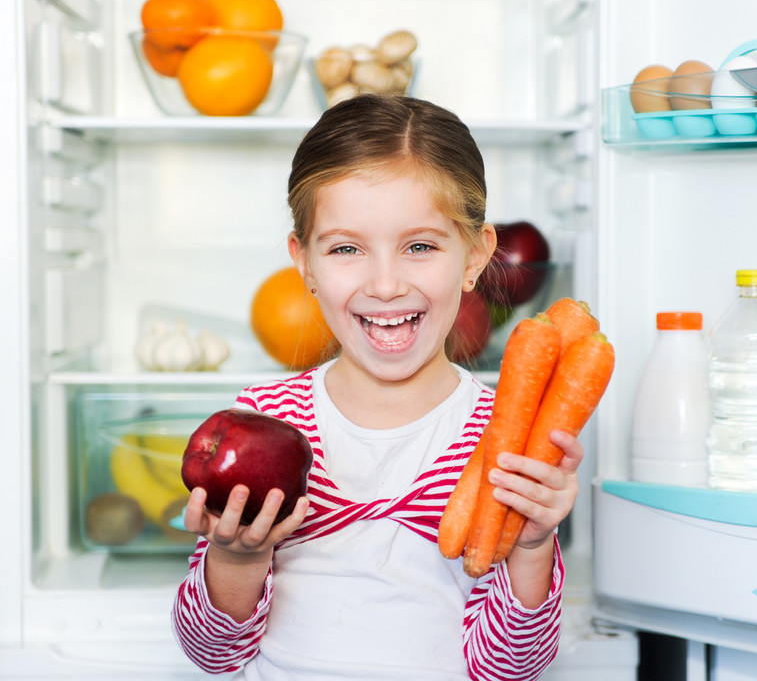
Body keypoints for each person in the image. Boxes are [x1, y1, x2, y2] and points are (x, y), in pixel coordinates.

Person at [171, 94, 584, 681]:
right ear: (306, 264)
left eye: (419, 247)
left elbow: (511, 670)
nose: (386, 284)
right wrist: (238, 557)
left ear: (475, 256)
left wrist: (533, 544)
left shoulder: (503, 437)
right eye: (346, 249)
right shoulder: (266, 418)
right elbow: (212, 654)